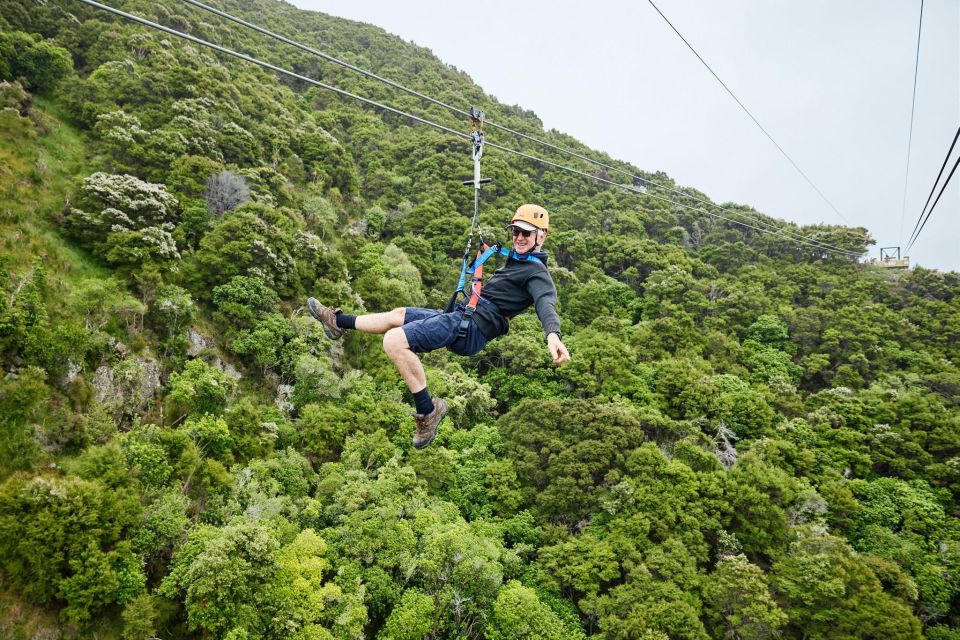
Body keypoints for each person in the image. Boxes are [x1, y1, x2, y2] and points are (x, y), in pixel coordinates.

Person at [306, 204, 570, 449]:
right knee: (397, 315)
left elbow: (545, 304)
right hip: (463, 314)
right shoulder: (517, 260)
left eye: (526, 233)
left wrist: (552, 335)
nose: (519, 237)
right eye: (515, 231)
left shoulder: (538, 275)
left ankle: (427, 411)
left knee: (394, 341)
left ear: (541, 237)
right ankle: (337, 322)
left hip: (470, 327)